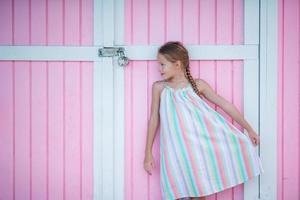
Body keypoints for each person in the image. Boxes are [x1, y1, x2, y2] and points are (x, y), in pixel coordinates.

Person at [143, 41, 264, 200]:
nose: (159, 69)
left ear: (177, 64)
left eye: (162, 65)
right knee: (175, 191)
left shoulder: (197, 85)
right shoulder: (159, 88)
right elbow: (153, 119)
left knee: (197, 193)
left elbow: (225, 105)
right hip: (173, 151)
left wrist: (249, 128)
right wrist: (148, 153)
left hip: (197, 150)